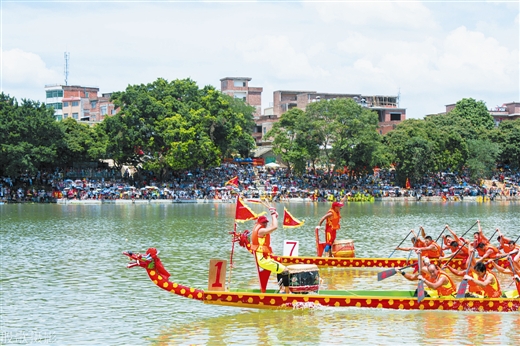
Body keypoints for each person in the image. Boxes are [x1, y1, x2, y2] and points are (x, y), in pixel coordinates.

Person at [251, 207, 290, 293]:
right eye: (264, 223)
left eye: (266, 222)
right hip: (263, 260)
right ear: (260, 223)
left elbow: (273, 226)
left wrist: (275, 216)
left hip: (264, 258)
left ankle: (282, 289)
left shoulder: (259, 228)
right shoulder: (261, 231)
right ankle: (287, 294)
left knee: (281, 267)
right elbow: (275, 226)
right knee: (285, 270)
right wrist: (273, 215)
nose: (265, 224)